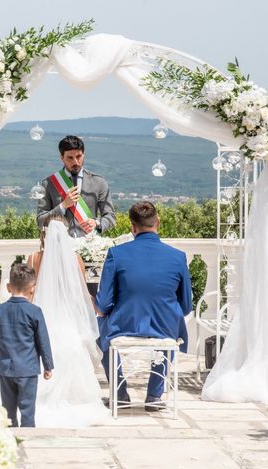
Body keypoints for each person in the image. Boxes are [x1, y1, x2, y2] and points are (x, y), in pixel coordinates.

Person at [95, 201, 192, 410]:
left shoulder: (117, 254)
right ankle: (154, 395)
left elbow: (102, 303)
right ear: (158, 222)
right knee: (172, 327)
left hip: (124, 323)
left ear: (132, 226)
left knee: (100, 329)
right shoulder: (178, 257)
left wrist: (108, 312)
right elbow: (185, 305)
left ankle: (119, 395)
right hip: (164, 326)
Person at [27, 215, 108, 427]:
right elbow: (80, 293)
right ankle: (75, 397)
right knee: (73, 349)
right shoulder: (76, 259)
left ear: (44, 233)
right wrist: (93, 311)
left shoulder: (34, 258)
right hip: (68, 317)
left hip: (42, 317)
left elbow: (30, 293)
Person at [0, 264, 54, 428]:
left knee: (8, 413)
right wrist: (48, 366)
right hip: (28, 369)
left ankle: (11, 444)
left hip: (6, 368)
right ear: (32, 289)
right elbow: (43, 341)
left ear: (8, 287)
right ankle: (28, 442)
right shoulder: (35, 311)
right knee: (27, 411)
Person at [37, 135, 116, 238]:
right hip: (59, 246)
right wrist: (63, 205)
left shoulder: (99, 182)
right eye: (70, 158)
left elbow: (111, 217)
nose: (75, 162)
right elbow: (40, 221)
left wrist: (96, 222)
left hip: (89, 246)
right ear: (62, 158)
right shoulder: (48, 184)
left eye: (78, 156)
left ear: (83, 155)